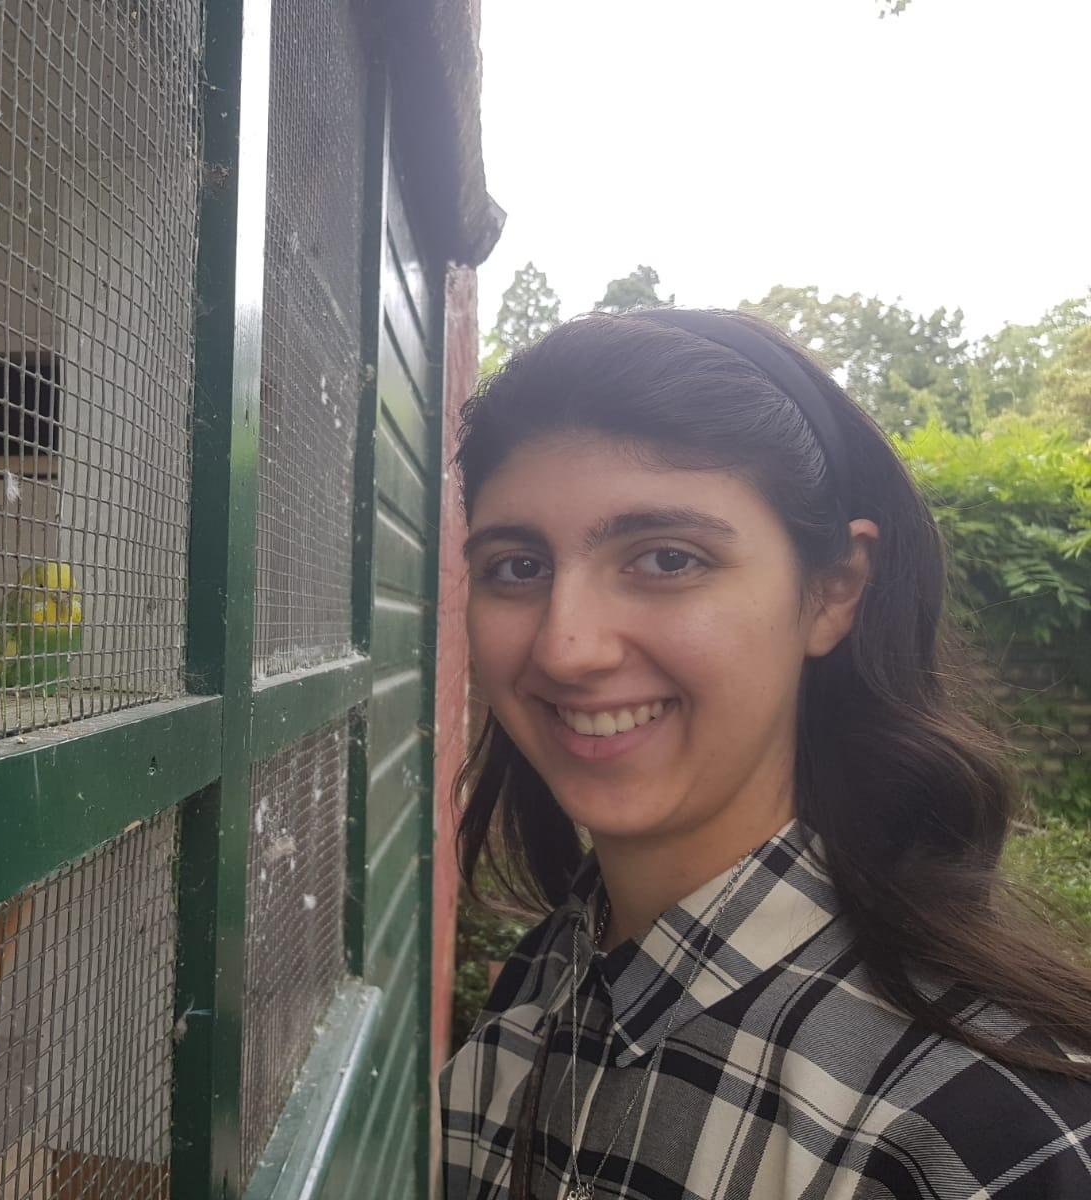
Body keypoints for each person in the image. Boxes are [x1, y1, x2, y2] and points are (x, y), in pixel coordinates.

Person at [439, 309, 1091, 1200]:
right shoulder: (549, 975)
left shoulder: (984, 1136)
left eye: (667, 558)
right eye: (517, 566)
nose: (566, 648)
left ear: (833, 591)